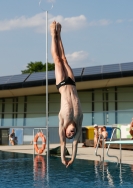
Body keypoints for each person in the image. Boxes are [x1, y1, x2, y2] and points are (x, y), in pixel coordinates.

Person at [50, 21, 83, 167]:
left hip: (62, 84)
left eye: (68, 134)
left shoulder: (62, 122)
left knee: (57, 61)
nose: (71, 134)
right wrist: (73, 159)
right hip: (72, 82)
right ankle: (60, 34)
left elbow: (63, 144)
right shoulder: (79, 120)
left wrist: (64, 159)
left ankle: (53, 35)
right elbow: (75, 144)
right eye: (72, 135)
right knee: (64, 59)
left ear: (65, 131)